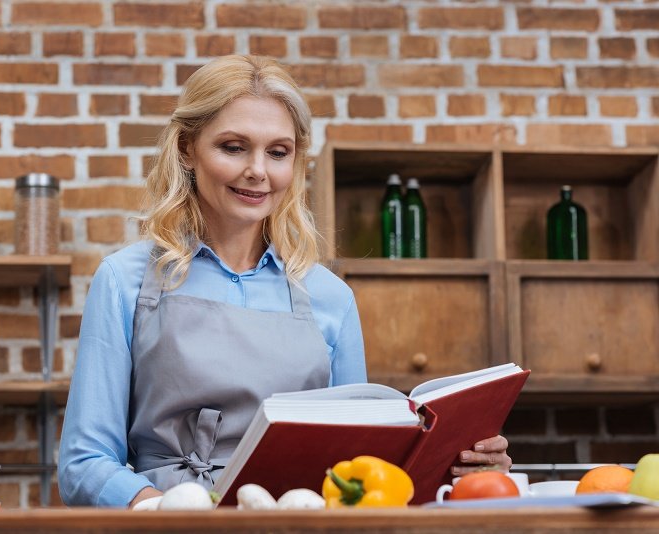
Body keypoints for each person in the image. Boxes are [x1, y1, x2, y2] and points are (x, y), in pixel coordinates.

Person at [58, 55, 511, 509]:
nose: (259, 170)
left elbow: (359, 465)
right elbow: (84, 463)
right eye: (234, 147)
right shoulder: (125, 281)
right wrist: (162, 509)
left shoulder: (331, 297)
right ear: (186, 149)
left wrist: (461, 466)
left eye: (278, 152)